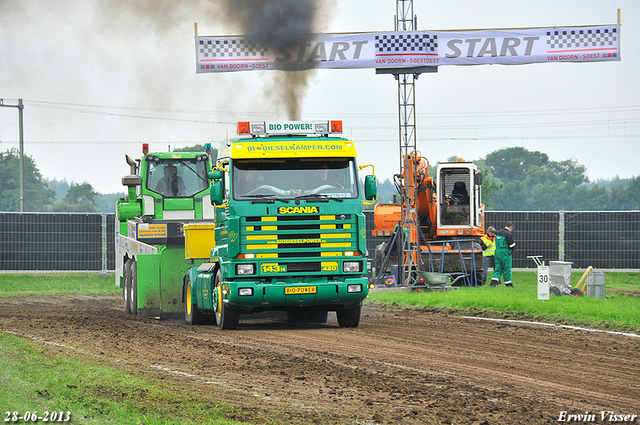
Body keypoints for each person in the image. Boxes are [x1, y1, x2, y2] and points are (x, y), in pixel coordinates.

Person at [490, 222, 516, 287]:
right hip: (504, 252)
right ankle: (508, 283)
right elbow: (512, 246)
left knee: (498, 267)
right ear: (510, 227)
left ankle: (493, 281)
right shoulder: (508, 234)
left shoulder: (498, 233)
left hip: (497, 251)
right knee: (507, 267)